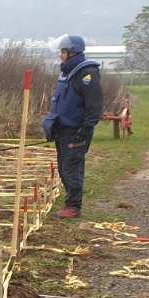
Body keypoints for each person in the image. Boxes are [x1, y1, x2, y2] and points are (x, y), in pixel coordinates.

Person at [41, 35, 102, 220]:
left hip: (76, 131)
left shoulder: (86, 73)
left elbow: (94, 104)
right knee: (62, 167)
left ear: (72, 52)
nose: (61, 55)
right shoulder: (68, 72)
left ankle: (74, 206)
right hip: (64, 129)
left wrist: (85, 129)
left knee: (71, 168)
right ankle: (71, 201)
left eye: (63, 52)